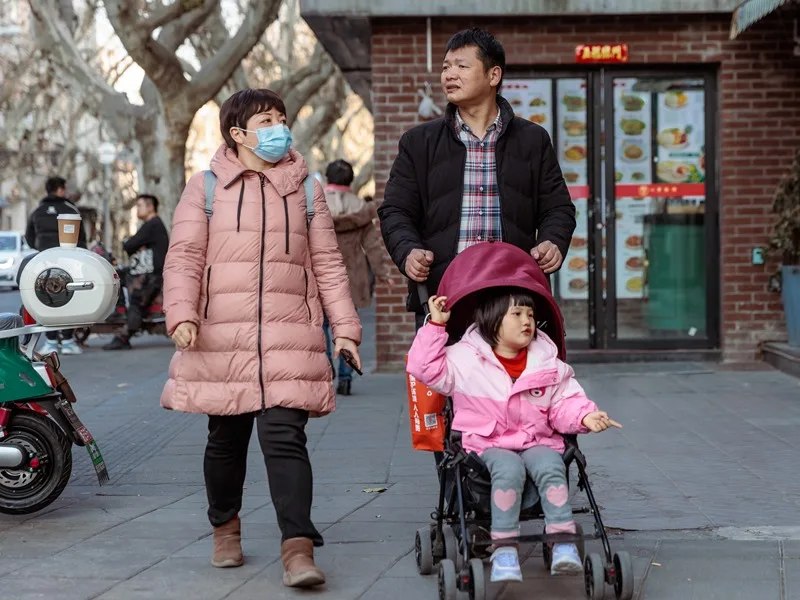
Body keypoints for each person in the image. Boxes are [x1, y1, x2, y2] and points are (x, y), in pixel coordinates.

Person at [160, 88, 361, 589]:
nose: (278, 127)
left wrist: (346, 329)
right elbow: (183, 256)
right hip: (221, 335)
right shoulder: (204, 188)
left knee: (284, 438)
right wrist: (181, 314)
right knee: (225, 441)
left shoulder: (307, 188)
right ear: (238, 133)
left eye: (281, 118)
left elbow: (328, 265)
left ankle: (298, 548)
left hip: (289, 333)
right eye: (266, 120)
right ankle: (224, 526)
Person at [407, 289, 621, 582]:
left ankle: (562, 542)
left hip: (536, 439)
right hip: (487, 443)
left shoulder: (547, 362)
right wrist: (435, 326)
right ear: (492, 321)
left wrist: (585, 415)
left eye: (531, 315)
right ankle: (505, 550)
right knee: (508, 469)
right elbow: (423, 368)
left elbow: (564, 402)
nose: (527, 321)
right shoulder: (464, 359)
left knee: (552, 465)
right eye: (517, 314)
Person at [378, 28, 576, 328]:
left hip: (513, 298)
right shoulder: (419, 142)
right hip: (444, 298)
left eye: (461, 65)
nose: (449, 74)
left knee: (513, 377)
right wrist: (408, 251)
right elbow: (395, 211)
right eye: (445, 67)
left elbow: (558, 209)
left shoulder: (533, 140)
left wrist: (552, 242)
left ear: (493, 75)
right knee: (444, 377)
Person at [322, 159, 390, 395]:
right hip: (352, 277)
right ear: (350, 180)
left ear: (327, 178)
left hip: (320, 276)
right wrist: (382, 273)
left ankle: (324, 363)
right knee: (347, 327)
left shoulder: (315, 206)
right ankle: (346, 376)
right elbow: (372, 246)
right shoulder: (360, 208)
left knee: (320, 325)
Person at [25, 176, 87, 355]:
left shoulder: (37, 211)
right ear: (61, 190)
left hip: (44, 264)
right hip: (68, 263)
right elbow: (81, 238)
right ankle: (67, 340)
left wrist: (42, 250)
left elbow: (29, 238)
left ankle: (51, 341)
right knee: (69, 298)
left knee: (46, 299)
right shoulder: (70, 209)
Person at [104, 194, 169, 350]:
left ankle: (123, 336)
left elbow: (129, 245)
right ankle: (118, 311)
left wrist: (133, 244)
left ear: (150, 207)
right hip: (147, 272)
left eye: (139, 206)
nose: (137, 210)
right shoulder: (154, 225)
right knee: (116, 275)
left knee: (136, 302)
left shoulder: (152, 224)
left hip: (149, 275)